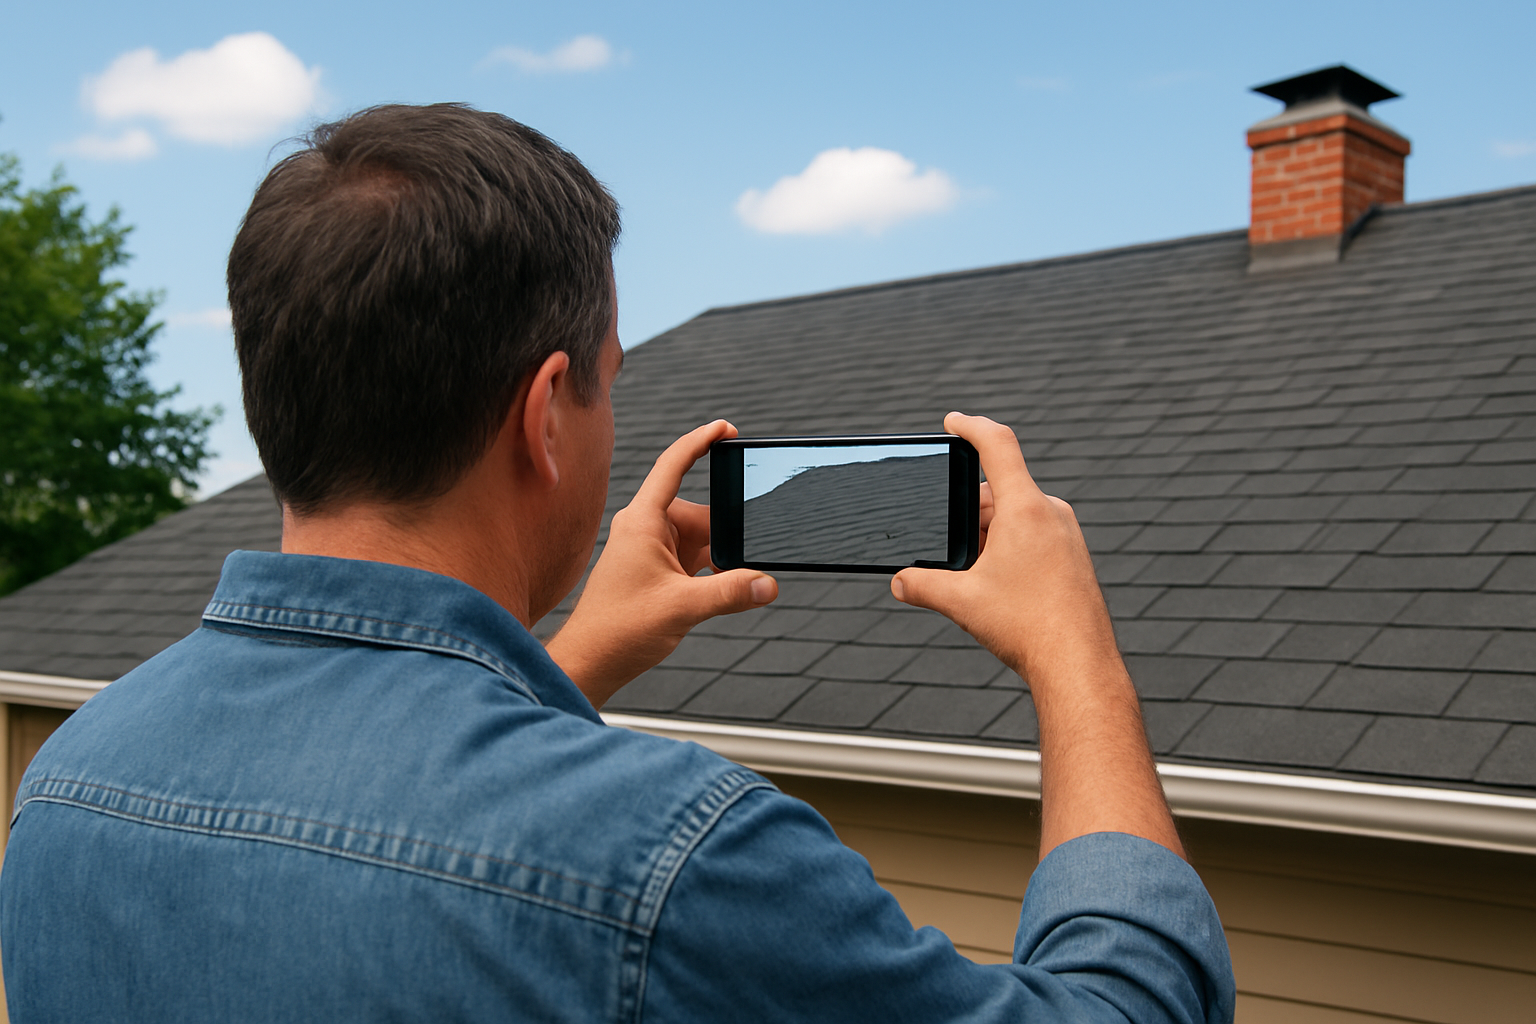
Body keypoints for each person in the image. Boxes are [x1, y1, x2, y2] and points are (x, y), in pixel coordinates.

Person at [1, 104, 1234, 1023]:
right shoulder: (674, 858)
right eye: (609, 382)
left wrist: (574, 656)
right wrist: (1075, 654)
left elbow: (386, 820)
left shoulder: (66, 784)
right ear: (546, 414)